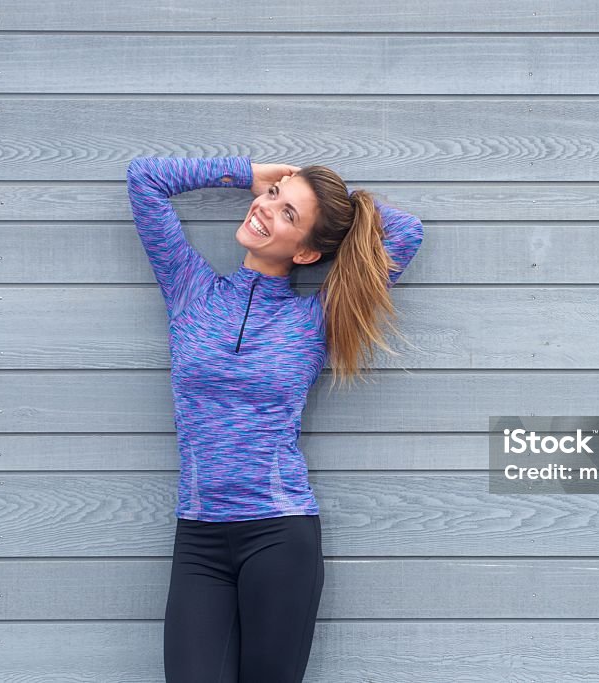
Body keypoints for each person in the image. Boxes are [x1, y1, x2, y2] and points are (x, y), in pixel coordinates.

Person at [125, 154, 424, 682]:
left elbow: (406, 233)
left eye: (288, 216)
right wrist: (248, 173)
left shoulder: (316, 319)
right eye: (271, 197)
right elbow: (144, 179)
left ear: (308, 252)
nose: (264, 211)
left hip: (280, 536)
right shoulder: (189, 290)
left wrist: (347, 212)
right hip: (199, 538)